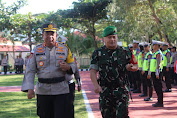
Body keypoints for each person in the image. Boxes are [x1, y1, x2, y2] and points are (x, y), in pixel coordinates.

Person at [21, 23, 75, 118]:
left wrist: (68, 67)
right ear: (43, 35)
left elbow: (73, 65)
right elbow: (30, 70)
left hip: (61, 90)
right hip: (43, 91)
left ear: (56, 35)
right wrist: (30, 88)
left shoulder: (65, 49)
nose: (50, 36)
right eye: (47, 33)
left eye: (52, 33)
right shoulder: (36, 50)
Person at [90, 26, 138, 118]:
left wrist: (131, 67)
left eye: (114, 37)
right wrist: (96, 85)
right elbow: (93, 71)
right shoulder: (98, 53)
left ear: (117, 38)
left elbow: (136, 65)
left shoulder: (126, 51)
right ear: (104, 39)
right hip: (105, 91)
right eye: (109, 37)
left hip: (121, 90)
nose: (112, 39)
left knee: (122, 115)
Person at [149, 40, 164, 107]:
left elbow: (159, 64)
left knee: (158, 87)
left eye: (154, 45)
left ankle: (160, 102)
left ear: (157, 46)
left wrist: (157, 73)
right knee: (156, 87)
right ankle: (159, 101)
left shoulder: (158, 53)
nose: (153, 46)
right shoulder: (154, 53)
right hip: (153, 72)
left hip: (157, 73)